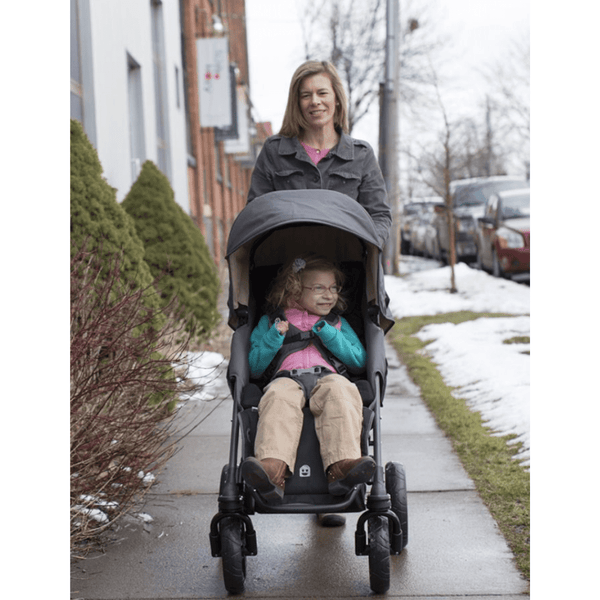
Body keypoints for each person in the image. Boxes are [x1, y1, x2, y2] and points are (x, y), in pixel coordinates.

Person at [241, 255, 376, 505]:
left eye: (334, 288)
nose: (329, 295)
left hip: (328, 378)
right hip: (286, 378)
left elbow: (358, 360)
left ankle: (342, 466)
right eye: (319, 288)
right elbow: (255, 367)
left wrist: (331, 336)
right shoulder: (271, 322)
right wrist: (272, 338)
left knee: (342, 393)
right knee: (277, 397)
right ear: (293, 289)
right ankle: (273, 469)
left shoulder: (336, 323)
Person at [247, 60, 392, 248]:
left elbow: (379, 216)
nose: (315, 101)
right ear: (297, 103)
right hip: (288, 263)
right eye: (306, 95)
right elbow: (256, 212)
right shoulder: (274, 152)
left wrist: (364, 248)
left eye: (322, 93)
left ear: (336, 98)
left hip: (347, 263)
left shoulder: (360, 155)